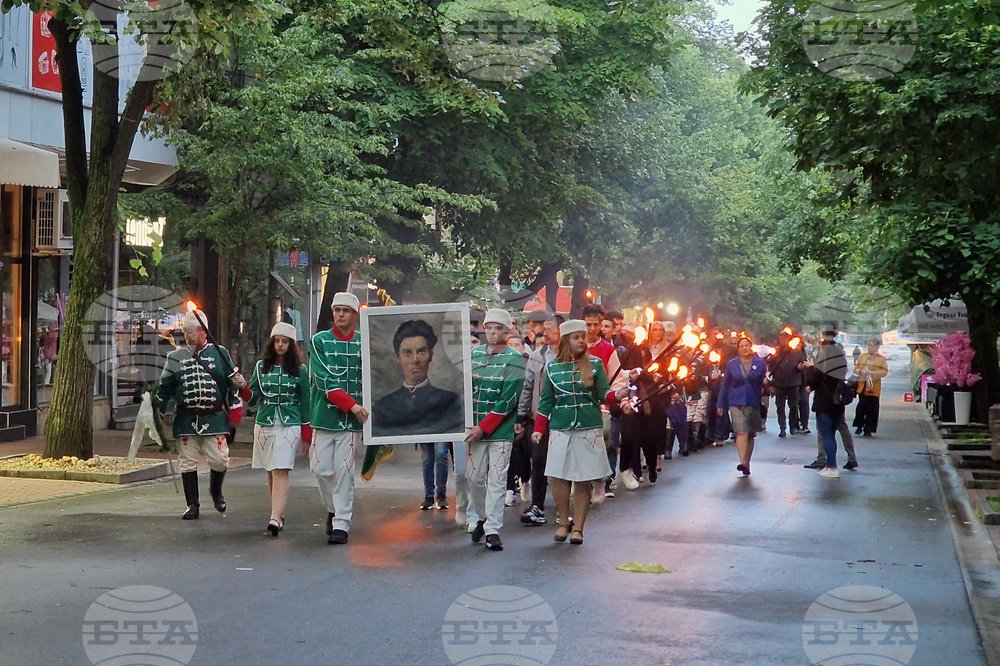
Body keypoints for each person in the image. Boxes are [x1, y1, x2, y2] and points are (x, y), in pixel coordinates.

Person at [532, 320, 621, 545]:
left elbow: (604, 394)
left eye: (583, 336)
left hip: (587, 427)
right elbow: (546, 401)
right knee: (558, 478)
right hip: (560, 428)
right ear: (565, 341)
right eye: (576, 337)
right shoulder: (552, 368)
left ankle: (579, 528)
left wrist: (617, 397)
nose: (582, 340)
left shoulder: (596, 364)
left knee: (582, 481)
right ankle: (563, 521)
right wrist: (539, 429)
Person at [157, 309, 243, 520]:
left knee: (220, 460)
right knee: (187, 462)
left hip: (214, 418)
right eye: (187, 331)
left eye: (194, 331)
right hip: (186, 419)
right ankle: (192, 504)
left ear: (205, 332)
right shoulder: (175, 357)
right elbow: (164, 388)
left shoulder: (220, 353)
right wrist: (156, 407)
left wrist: (235, 409)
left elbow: (233, 384)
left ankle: (216, 492)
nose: (190, 335)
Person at [237, 322, 311, 536]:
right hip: (265, 422)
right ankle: (277, 513)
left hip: (290, 423)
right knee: (271, 469)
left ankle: (275, 517)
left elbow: (305, 402)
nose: (280, 345)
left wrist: (307, 434)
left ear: (291, 345)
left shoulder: (301, 370)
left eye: (285, 341)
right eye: (277, 341)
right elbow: (253, 400)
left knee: (281, 468)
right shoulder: (261, 367)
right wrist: (242, 387)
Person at [309, 292, 368, 545]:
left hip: (350, 424)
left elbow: (372, 377)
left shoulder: (364, 342)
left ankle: (341, 523)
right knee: (321, 470)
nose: (341, 314)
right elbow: (323, 380)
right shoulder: (318, 340)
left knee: (344, 471)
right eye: (337, 310)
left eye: (346, 310)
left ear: (355, 314)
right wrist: (352, 405)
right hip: (324, 417)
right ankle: (333, 509)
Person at [465, 309, 526, 551]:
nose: (492, 332)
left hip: (500, 431)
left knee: (497, 480)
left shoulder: (515, 358)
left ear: (507, 331)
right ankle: (481, 517)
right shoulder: (474, 354)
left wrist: (484, 427)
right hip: (473, 429)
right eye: (488, 327)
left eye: (497, 328)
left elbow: (508, 399)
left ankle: (493, 529)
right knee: (474, 479)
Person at [371, 319, 464, 438]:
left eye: (421, 351)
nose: (415, 360)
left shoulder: (449, 402)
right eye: (407, 353)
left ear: (431, 355)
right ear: (398, 358)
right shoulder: (383, 406)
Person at [517, 315, 562, 526]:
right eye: (544, 329)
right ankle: (537, 505)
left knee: (563, 464)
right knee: (539, 460)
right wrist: (522, 413)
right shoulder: (537, 357)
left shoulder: (571, 357)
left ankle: (564, 509)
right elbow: (527, 386)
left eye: (550, 329)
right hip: (539, 418)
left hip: (565, 419)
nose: (545, 333)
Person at [717, 336, 767, 476]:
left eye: (747, 345)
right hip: (735, 401)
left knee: (750, 434)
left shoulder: (759, 363)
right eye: (742, 346)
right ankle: (742, 461)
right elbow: (726, 384)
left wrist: (767, 384)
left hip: (753, 401)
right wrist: (721, 403)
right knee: (741, 431)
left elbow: (764, 381)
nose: (745, 348)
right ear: (738, 349)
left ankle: (747, 462)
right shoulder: (732, 364)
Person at [804, 327, 849, 479]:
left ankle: (831, 466)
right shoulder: (840, 354)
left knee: (827, 435)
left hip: (824, 401)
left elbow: (814, 380)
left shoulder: (823, 359)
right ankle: (832, 464)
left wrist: (810, 368)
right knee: (833, 434)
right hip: (838, 401)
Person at [767, 331, 808, 437]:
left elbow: (803, 363)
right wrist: (771, 384)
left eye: (784, 338)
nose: (782, 341)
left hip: (794, 382)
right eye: (780, 339)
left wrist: (801, 367)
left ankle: (792, 426)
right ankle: (782, 428)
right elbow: (770, 367)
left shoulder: (797, 351)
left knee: (794, 406)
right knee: (780, 407)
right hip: (779, 383)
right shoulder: (775, 351)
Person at [853, 338, 889, 437]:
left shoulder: (881, 359)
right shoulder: (862, 356)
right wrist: (860, 371)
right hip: (862, 385)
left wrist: (872, 373)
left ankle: (869, 429)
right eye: (868, 345)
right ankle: (859, 425)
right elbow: (856, 368)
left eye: (871, 346)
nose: (869, 348)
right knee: (861, 407)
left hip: (873, 387)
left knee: (872, 409)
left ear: (877, 347)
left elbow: (884, 372)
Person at [582, 304, 615, 371]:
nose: (592, 328)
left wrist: (627, 374)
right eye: (588, 324)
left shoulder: (609, 349)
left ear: (600, 325)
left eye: (596, 324)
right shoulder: (573, 348)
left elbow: (617, 377)